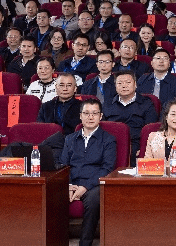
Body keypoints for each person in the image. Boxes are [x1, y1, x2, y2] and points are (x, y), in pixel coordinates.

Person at [61, 99, 116, 246]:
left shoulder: (108, 140)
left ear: (100, 116)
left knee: (93, 200)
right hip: (72, 182)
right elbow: (63, 166)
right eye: (86, 113)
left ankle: (85, 243)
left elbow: (107, 168)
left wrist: (85, 187)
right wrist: (69, 185)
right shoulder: (70, 139)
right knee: (51, 194)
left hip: (93, 185)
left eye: (94, 113)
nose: (90, 117)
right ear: (80, 116)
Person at [101, 72, 157, 157]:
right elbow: (101, 129)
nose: (124, 86)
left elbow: (150, 131)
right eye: (120, 83)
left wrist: (143, 149)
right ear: (115, 86)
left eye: (128, 82)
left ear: (135, 84)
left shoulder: (147, 104)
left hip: (136, 146)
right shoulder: (106, 105)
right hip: (111, 146)